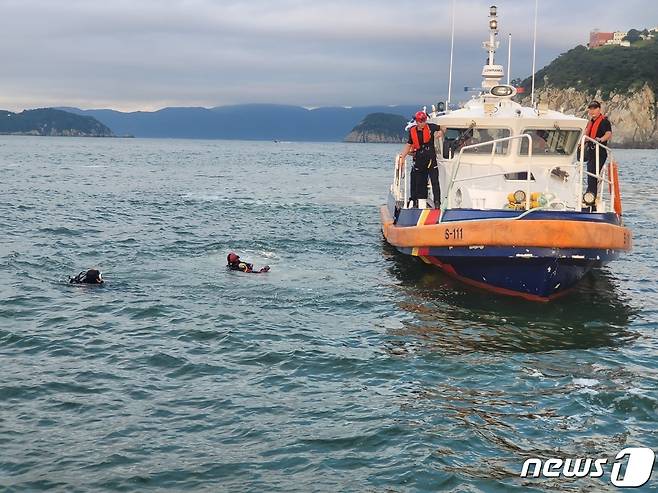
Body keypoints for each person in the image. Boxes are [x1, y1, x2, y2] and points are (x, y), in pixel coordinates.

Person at [398, 111, 443, 208]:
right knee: (419, 181)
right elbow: (409, 144)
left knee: (434, 180)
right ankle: (417, 202)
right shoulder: (412, 131)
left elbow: (443, 128)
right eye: (420, 121)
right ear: (417, 121)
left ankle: (437, 202)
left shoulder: (431, 127)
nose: (422, 123)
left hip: (430, 157)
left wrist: (440, 133)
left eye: (423, 121)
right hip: (419, 157)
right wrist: (402, 157)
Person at [583, 101, 612, 198]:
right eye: (591, 108)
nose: (592, 111)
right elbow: (586, 135)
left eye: (594, 108)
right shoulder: (590, 122)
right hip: (591, 152)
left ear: (599, 109)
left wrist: (600, 139)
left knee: (593, 174)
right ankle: (589, 195)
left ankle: (591, 196)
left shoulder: (604, 121)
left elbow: (608, 134)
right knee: (590, 174)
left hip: (599, 152)